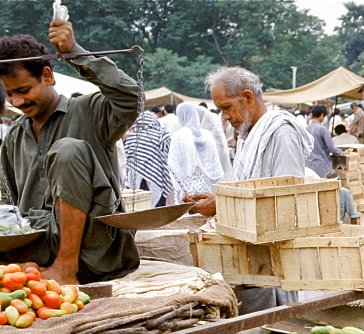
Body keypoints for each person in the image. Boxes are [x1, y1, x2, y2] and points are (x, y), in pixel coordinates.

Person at [0, 20, 140, 284]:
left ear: (48, 76)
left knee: (68, 149)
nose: (17, 102)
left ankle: (66, 266)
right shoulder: (14, 136)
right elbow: (7, 202)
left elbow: (130, 96)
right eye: (9, 95)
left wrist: (75, 51)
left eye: (23, 90)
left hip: (94, 252)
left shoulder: (90, 111)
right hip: (37, 248)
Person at [184, 67, 312, 312]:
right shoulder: (248, 134)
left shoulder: (280, 132)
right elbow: (247, 188)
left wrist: (222, 206)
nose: (224, 117)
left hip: (270, 263)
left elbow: (285, 203)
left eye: (227, 108)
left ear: (248, 97)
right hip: (247, 259)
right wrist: (219, 198)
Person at [168, 102, 224, 203]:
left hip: (187, 187)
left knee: (189, 213)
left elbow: (174, 164)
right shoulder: (207, 135)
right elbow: (215, 163)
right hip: (207, 185)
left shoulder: (179, 136)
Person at [123, 111, 172, 208]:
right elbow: (168, 155)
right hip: (156, 176)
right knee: (158, 208)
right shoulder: (161, 134)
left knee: (140, 205)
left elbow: (126, 157)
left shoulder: (132, 136)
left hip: (136, 178)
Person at [304, 104, 343, 178]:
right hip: (321, 164)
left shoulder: (306, 129)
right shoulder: (322, 129)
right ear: (322, 115)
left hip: (308, 164)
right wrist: (341, 152)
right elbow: (331, 148)